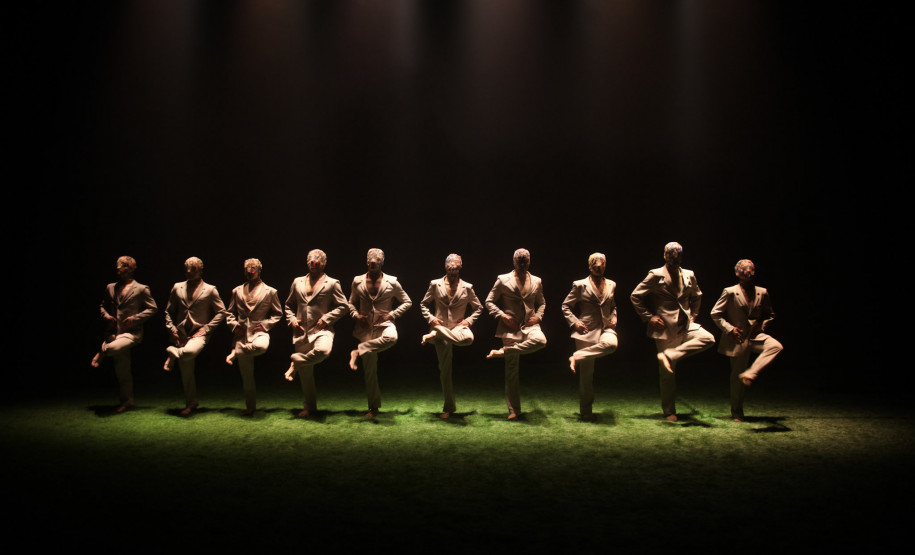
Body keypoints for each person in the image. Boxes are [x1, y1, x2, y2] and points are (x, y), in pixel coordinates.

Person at [630, 242, 714, 421]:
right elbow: (635, 296)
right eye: (671, 256)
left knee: (708, 338)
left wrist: (694, 315)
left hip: (685, 325)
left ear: (682, 257)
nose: (674, 259)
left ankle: (671, 354)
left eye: (677, 256)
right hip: (664, 328)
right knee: (667, 374)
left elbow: (697, 295)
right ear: (665, 256)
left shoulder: (689, 274)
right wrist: (649, 317)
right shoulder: (656, 274)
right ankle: (669, 411)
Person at [710, 259, 783, 422]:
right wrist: (730, 329)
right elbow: (715, 313)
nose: (748, 272)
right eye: (744, 270)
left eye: (751, 269)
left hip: (755, 335)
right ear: (737, 273)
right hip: (738, 337)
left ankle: (752, 372)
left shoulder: (762, 292)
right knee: (736, 376)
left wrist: (762, 326)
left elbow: (770, 314)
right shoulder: (730, 292)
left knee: (776, 346)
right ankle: (737, 411)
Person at [283, 249, 349, 418]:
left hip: (322, 330)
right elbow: (289, 305)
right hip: (301, 332)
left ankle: (295, 364)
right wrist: (292, 320)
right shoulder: (297, 282)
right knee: (306, 374)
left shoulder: (332, 283)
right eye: (311, 264)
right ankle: (309, 407)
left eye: (317, 264)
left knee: (323, 351)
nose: (313, 267)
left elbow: (343, 306)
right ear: (307, 263)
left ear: (323, 264)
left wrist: (327, 318)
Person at [348, 248, 412, 418]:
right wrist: (356, 315)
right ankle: (373, 407)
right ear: (367, 262)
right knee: (370, 371)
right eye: (370, 263)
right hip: (366, 328)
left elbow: (407, 301)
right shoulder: (357, 281)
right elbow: (350, 303)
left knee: (392, 337)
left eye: (376, 263)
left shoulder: (392, 282)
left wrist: (392, 314)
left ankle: (358, 351)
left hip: (385, 324)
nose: (373, 265)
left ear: (381, 263)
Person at [485, 248, 547, 420]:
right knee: (511, 370)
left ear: (529, 261)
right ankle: (514, 409)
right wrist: (502, 316)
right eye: (519, 261)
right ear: (513, 261)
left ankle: (504, 352)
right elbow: (489, 301)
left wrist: (538, 316)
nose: (522, 264)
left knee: (541, 341)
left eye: (525, 261)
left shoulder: (536, 281)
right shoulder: (503, 280)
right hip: (509, 327)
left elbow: (541, 302)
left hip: (529, 326)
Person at [91, 256, 158, 413]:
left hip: (131, 333)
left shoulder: (141, 289)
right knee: (122, 369)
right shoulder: (111, 287)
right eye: (117, 266)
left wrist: (135, 319)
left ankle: (102, 350)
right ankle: (127, 401)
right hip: (114, 333)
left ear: (131, 268)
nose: (119, 269)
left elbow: (153, 308)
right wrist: (106, 316)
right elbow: (102, 306)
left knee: (111, 349)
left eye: (122, 266)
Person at [420, 254, 483, 419]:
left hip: (457, 329)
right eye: (450, 270)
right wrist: (432, 319)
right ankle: (449, 408)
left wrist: (468, 321)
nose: (453, 273)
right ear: (446, 268)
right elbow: (424, 304)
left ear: (460, 268)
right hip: (440, 327)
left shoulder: (467, 287)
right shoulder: (435, 284)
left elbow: (478, 308)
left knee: (469, 339)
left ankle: (434, 334)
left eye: (455, 270)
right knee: (445, 371)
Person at [164, 257, 226, 415]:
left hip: (198, 334)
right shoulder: (177, 287)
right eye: (187, 268)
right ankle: (191, 403)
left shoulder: (210, 289)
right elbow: (168, 312)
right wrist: (172, 330)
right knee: (186, 370)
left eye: (193, 268)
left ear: (200, 270)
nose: (189, 271)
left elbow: (221, 312)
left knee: (189, 353)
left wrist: (207, 328)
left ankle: (172, 352)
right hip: (181, 333)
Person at [561, 252, 618, 421]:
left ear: (605, 265)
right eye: (595, 266)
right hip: (585, 332)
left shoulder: (612, 284)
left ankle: (576, 357)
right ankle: (586, 410)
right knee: (587, 374)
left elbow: (613, 306)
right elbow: (565, 306)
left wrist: (614, 318)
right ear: (589, 267)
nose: (598, 269)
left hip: (606, 329)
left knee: (612, 345)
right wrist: (575, 322)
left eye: (601, 266)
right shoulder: (580, 285)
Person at [224, 258, 283, 415]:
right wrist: (234, 325)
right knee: (247, 376)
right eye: (247, 270)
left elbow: (278, 313)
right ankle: (250, 407)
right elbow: (229, 313)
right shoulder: (237, 291)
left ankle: (236, 352)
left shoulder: (270, 291)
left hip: (259, 332)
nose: (250, 273)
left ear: (259, 270)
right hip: (242, 335)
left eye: (253, 270)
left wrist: (265, 325)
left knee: (261, 347)